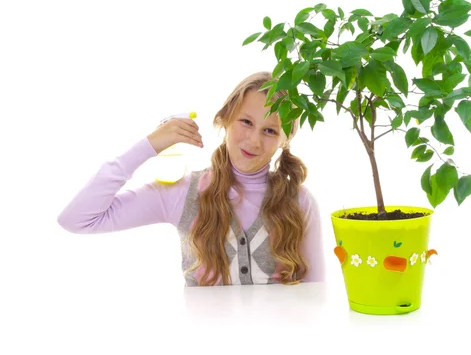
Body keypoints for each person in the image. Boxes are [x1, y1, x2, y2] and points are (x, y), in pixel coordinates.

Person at [57, 71, 325, 286]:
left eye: (269, 130)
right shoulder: (183, 193)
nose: (254, 140)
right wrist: (148, 146)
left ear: (284, 139)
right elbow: (77, 219)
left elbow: (316, 292)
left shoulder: (299, 201)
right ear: (225, 118)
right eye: (246, 122)